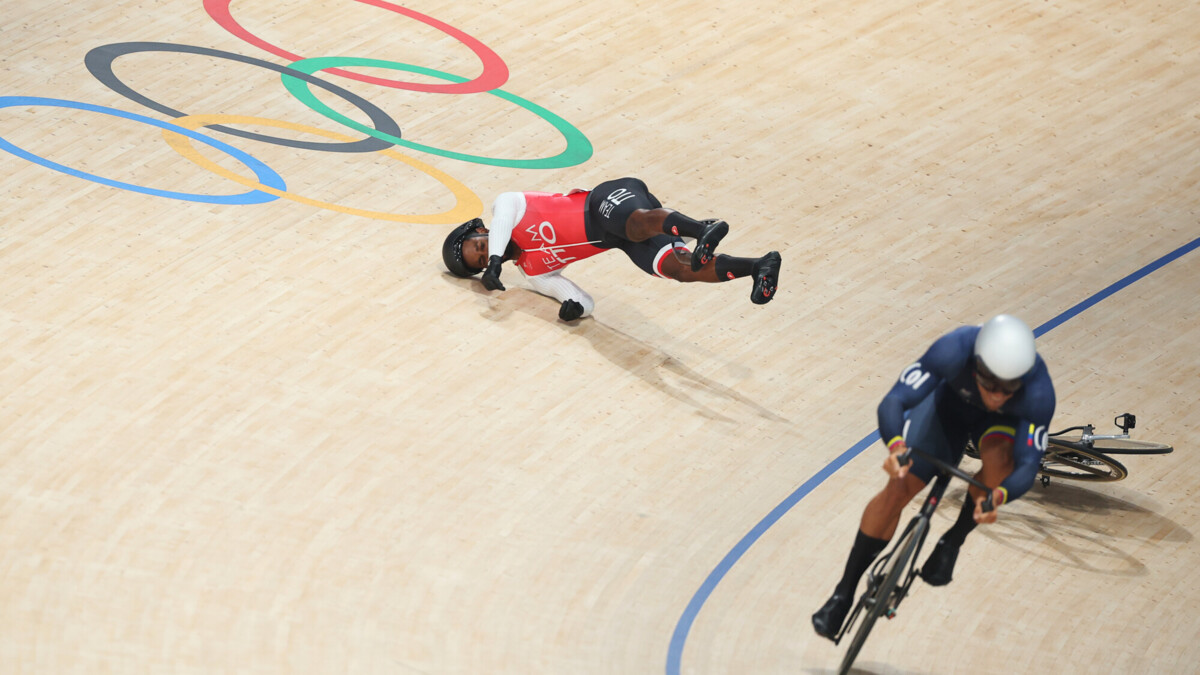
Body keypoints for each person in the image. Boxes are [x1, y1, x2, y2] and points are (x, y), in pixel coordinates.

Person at [812, 314, 1055, 640]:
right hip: (948, 409)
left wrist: (998, 497)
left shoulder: (1039, 393)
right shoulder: (953, 349)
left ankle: (952, 541)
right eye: (989, 383)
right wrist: (896, 447)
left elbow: (1028, 465)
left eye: (1009, 387)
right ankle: (843, 593)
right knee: (898, 487)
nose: (997, 395)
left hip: (999, 426)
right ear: (975, 363)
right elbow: (895, 400)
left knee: (998, 469)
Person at [441, 177, 781, 320]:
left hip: (606, 200)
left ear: (482, 231)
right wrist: (575, 310)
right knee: (679, 269)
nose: (488, 256)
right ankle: (759, 266)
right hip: (620, 240)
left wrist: (496, 259)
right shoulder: (533, 270)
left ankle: (700, 227)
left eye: (482, 247)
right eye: (483, 260)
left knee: (630, 224)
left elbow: (501, 223)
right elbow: (580, 299)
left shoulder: (508, 206)